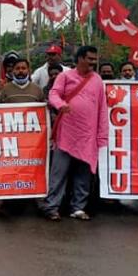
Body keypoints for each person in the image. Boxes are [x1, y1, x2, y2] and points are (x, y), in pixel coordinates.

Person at [41, 45, 108, 221]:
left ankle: (78, 208)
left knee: (83, 174)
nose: (93, 62)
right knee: (58, 173)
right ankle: (52, 207)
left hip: (87, 135)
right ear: (80, 58)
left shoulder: (97, 80)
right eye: (90, 59)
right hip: (66, 134)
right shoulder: (65, 76)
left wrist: (102, 136)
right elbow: (53, 94)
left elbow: (102, 109)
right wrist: (60, 105)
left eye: (95, 59)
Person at [0, 58, 44, 218]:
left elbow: (44, 113)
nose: (20, 71)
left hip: (32, 141)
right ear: (12, 71)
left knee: (35, 171)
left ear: (29, 70)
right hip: (10, 140)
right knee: (5, 172)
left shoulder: (37, 90)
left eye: (23, 68)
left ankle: (41, 203)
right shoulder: (5, 89)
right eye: (17, 68)